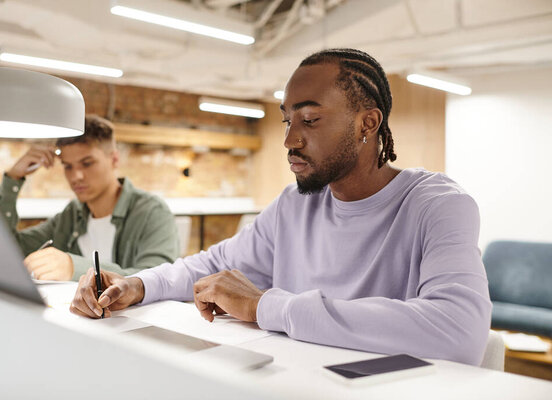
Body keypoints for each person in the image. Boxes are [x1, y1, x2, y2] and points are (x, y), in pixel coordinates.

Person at [69, 49, 492, 365]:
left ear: (368, 123)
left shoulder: (438, 205)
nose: (289, 139)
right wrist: (137, 285)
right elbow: (212, 265)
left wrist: (264, 306)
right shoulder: (294, 205)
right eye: (287, 120)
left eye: (310, 120)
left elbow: (459, 330)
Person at [0, 115, 179, 281]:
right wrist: (13, 178)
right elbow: (8, 248)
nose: (76, 176)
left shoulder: (151, 212)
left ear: (114, 159)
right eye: (68, 166)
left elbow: (158, 279)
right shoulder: (71, 215)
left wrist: (74, 268)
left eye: (87, 163)